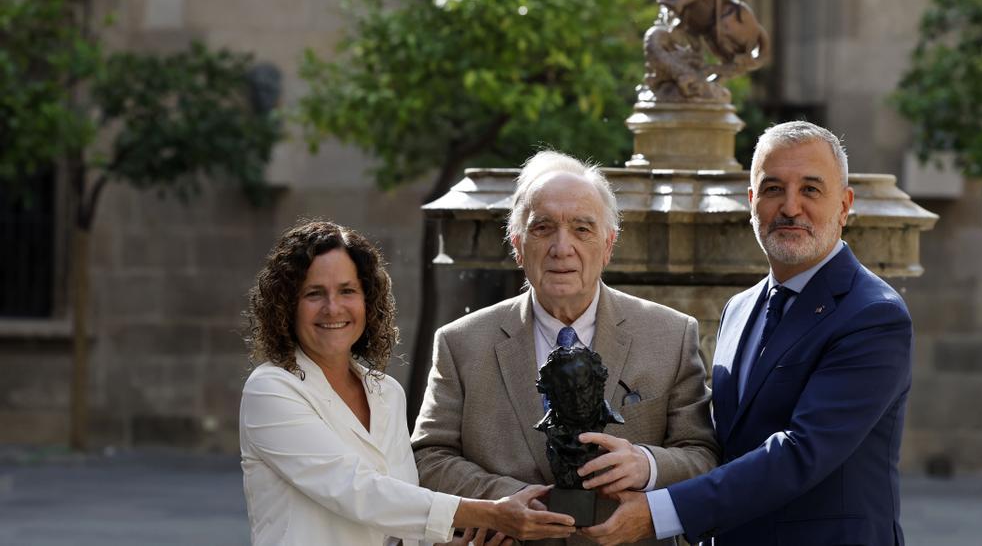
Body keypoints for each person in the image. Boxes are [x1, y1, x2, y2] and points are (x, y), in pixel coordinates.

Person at [584, 121, 914, 545]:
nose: (791, 207)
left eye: (811, 190)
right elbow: (721, 443)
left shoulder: (873, 315)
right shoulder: (739, 309)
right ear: (752, 201)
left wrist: (661, 512)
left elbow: (801, 454)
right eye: (774, 189)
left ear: (845, 205)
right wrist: (644, 465)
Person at [411, 150, 719, 546]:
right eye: (543, 229)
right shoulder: (461, 342)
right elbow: (427, 458)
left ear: (608, 245)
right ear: (517, 244)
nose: (562, 247)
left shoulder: (672, 334)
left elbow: (703, 455)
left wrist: (647, 465)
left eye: (582, 229)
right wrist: (500, 502)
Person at [239, 219, 576, 546]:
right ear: (286, 306)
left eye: (347, 291)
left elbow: (397, 521)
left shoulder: (385, 392)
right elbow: (358, 492)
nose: (333, 308)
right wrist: (490, 514)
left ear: (367, 302)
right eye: (314, 293)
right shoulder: (271, 389)